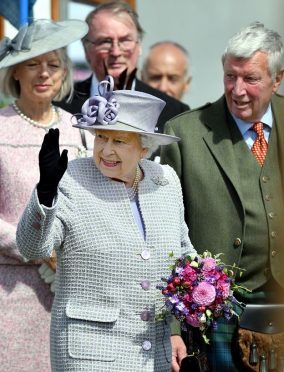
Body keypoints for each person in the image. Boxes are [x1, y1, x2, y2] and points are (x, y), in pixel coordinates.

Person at [16, 75, 196, 372]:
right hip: (89, 352)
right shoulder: (72, 179)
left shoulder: (165, 181)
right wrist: (45, 193)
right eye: (101, 137)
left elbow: (183, 255)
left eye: (119, 141)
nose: (106, 150)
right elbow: (32, 246)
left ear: (144, 148)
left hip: (155, 353)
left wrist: (191, 309)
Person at [161, 21, 284, 371]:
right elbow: (164, 234)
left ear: (277, 79)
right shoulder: (185, 133)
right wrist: (171, 326)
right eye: (231, 76)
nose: (238, 89)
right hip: (216, 317)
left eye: (251, 78)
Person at [0, 19, 88, 371]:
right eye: (34, 64)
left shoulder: (80, 131)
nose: (44, 73)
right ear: (16, 71)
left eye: (53, 64)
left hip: (73, 295)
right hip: (13, 292)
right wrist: (36, 247)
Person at [55, 1, 189, 135]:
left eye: (125, 40)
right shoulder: (59, 105)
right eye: (105, 42)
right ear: (86, 50)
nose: (116, 52)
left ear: (139, 46)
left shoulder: (174, 113)